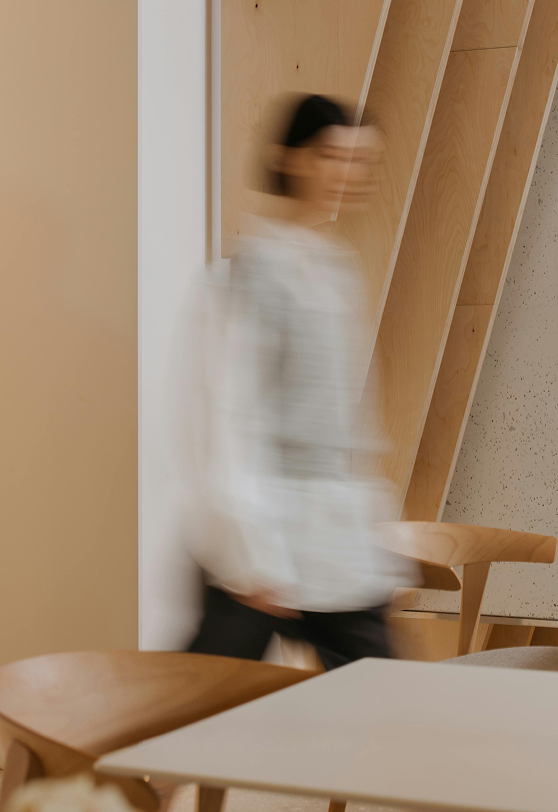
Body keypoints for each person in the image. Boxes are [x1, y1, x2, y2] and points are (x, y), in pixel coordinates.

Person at [173, 94, 417, 671]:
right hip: (263, 542)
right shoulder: (245, 274)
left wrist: (371, 532)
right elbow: (224, 415)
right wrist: (248, 553)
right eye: (333, 157)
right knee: (200, 699)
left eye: (362, 161)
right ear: (287, 158)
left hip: (331, 544)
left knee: (380, 689)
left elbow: (346, 422)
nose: (349, 174)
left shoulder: (337, 269)